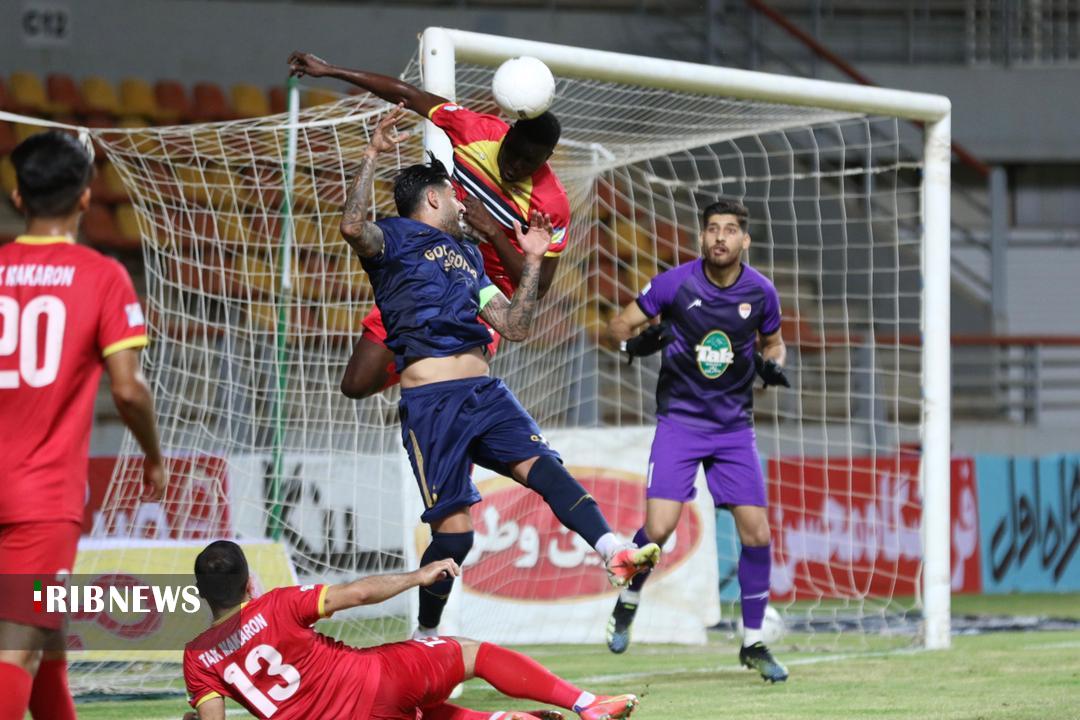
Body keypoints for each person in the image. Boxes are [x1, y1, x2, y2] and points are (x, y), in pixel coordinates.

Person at [338, 106, 659, 639]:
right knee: (455, 539)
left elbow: (515, 325)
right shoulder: (393, 239)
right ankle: (426, 634)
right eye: (453, 194)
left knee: (547, 469)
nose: (462, 201)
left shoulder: (468, 256)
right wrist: (372, 153)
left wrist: (532, 262)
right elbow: (352, 226)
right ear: (433, 198)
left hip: (484, 393)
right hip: (433, 405)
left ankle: (613, 550)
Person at [287, 51, 570, 398]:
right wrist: (330, 69)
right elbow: (407, 94)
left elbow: (538, 287)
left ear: (547, 159)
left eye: (530, 162)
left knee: (450, 388)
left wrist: (494, 233)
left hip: (484, 290)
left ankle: (433, 382)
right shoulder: (475, 130)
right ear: (506, 133)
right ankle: (421, 365)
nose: (515, 166)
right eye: (513, 153)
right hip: (429, 264)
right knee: (357, 385)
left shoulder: (552, 204)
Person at [0, 130, 166, 720]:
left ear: (17, 197)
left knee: (47, 643)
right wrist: (153, 455)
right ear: (86, 198)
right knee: (16, 650)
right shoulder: (100, 276)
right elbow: (128, 389)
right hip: (38, 496)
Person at [605, 199, 791, 682]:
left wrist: (773, 364)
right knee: (659, 529)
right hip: (680, 424)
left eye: (730, 230)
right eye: (712, 229)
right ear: (702, 237)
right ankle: (629, 596)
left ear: (744, 240)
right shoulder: (674, 284)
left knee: (758, 534)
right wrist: (633, 343)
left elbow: (774, 342)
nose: (720, 237)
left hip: (734, 429)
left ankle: (753, 642)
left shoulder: (762, 291)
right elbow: (619, 325)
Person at [184, 540, 640, 720]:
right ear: (249, 583)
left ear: (201, 593)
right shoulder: (277, 603)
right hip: (376, 681)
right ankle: (587, 704)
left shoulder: (197, 657)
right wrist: (418, 577)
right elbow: (358, 593)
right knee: (470, 653)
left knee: (420, 715)